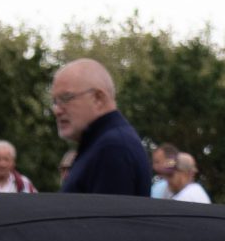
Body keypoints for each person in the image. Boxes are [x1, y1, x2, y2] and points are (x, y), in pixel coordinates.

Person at [51, 59, 152, 195]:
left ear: (98, 98)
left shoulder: (113, 148)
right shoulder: (103, 144)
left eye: (66, 98)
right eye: (55, 101)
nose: (57, 110)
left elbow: (109, 209)